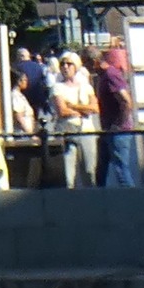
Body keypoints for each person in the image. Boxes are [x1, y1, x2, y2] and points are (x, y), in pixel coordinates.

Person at [48, 50, 99, 189]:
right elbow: (62, 111)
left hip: (87, 131)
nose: (65, 67)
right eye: (62, 64)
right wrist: (83, 109)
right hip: (67, 132)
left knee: (89, 171)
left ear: (76, 66)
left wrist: (73, 106)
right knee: (69, 175)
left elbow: (95, 108)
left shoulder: (86, 87)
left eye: (69, 64)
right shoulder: (57, 88)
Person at [91, 42, 139, 187]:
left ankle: (133, 201)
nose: (86, 68)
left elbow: (126, 101)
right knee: (101, 169)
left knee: (121, 169)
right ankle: (101, 200)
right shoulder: (104, 76)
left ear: (94, 62)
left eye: (87, 64)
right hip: (108, 129)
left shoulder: (111, 75)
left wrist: (119, 125)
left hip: (117, 131)